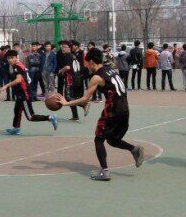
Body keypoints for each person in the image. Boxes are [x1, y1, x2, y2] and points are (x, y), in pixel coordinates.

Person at [58, 47, 144, 181]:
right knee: (112, 140)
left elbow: (85, 99)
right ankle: (134, 149)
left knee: (98, 139)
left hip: (112, 111)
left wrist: (65, 103)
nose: (86, 66)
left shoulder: (97, 77)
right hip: (124, 109)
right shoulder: (111, 69)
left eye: (87, 63)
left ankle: (105, 172)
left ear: (92, 62)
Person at [0, 50, 58, 134]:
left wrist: (6, 85)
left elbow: (18, 80)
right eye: (8, 58)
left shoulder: (17, 67)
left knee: (31, 117)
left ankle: (50, 117)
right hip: (21, 94)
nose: (10, 60)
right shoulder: (18, 65)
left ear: (16, 57)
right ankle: (16, 128)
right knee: (17, 110)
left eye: (12, 58)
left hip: (24, 94)